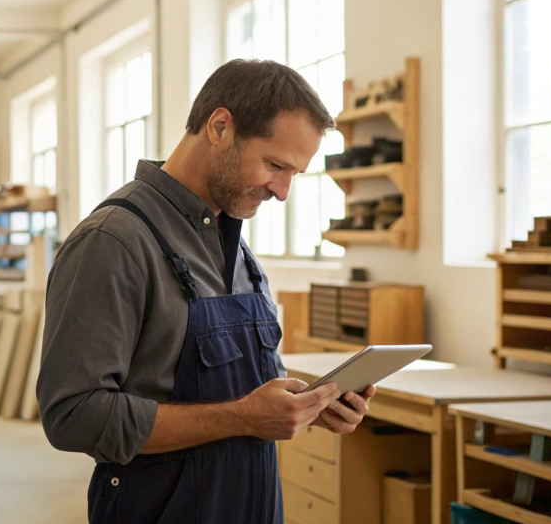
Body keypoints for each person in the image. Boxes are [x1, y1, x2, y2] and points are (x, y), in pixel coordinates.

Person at [37, 59, 375, 523]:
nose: (282, 192)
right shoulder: (113, 242)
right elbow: (72, 414)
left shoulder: (237, 248)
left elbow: (252, 391)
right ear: (219, 126)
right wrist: (242, 417)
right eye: (275, 165)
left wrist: (307, 407)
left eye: (295, 173)